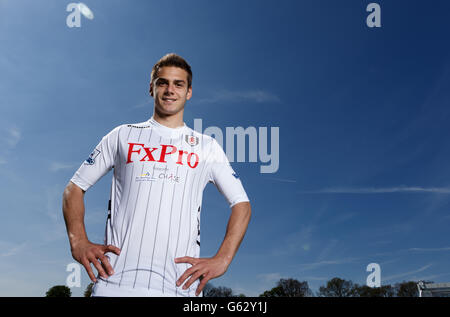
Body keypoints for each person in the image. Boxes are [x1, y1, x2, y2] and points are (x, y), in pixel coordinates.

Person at [62, 53, 252, 297]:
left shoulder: (207, 147)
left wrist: (222, 259)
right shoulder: (121, 135)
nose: (170, 89)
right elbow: (74, 188)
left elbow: (242, 205)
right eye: (162, 82)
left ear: (189, 92)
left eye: (178, 84)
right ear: (151, 88)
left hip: (179, 289)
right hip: (114, 285)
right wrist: (78, 241)